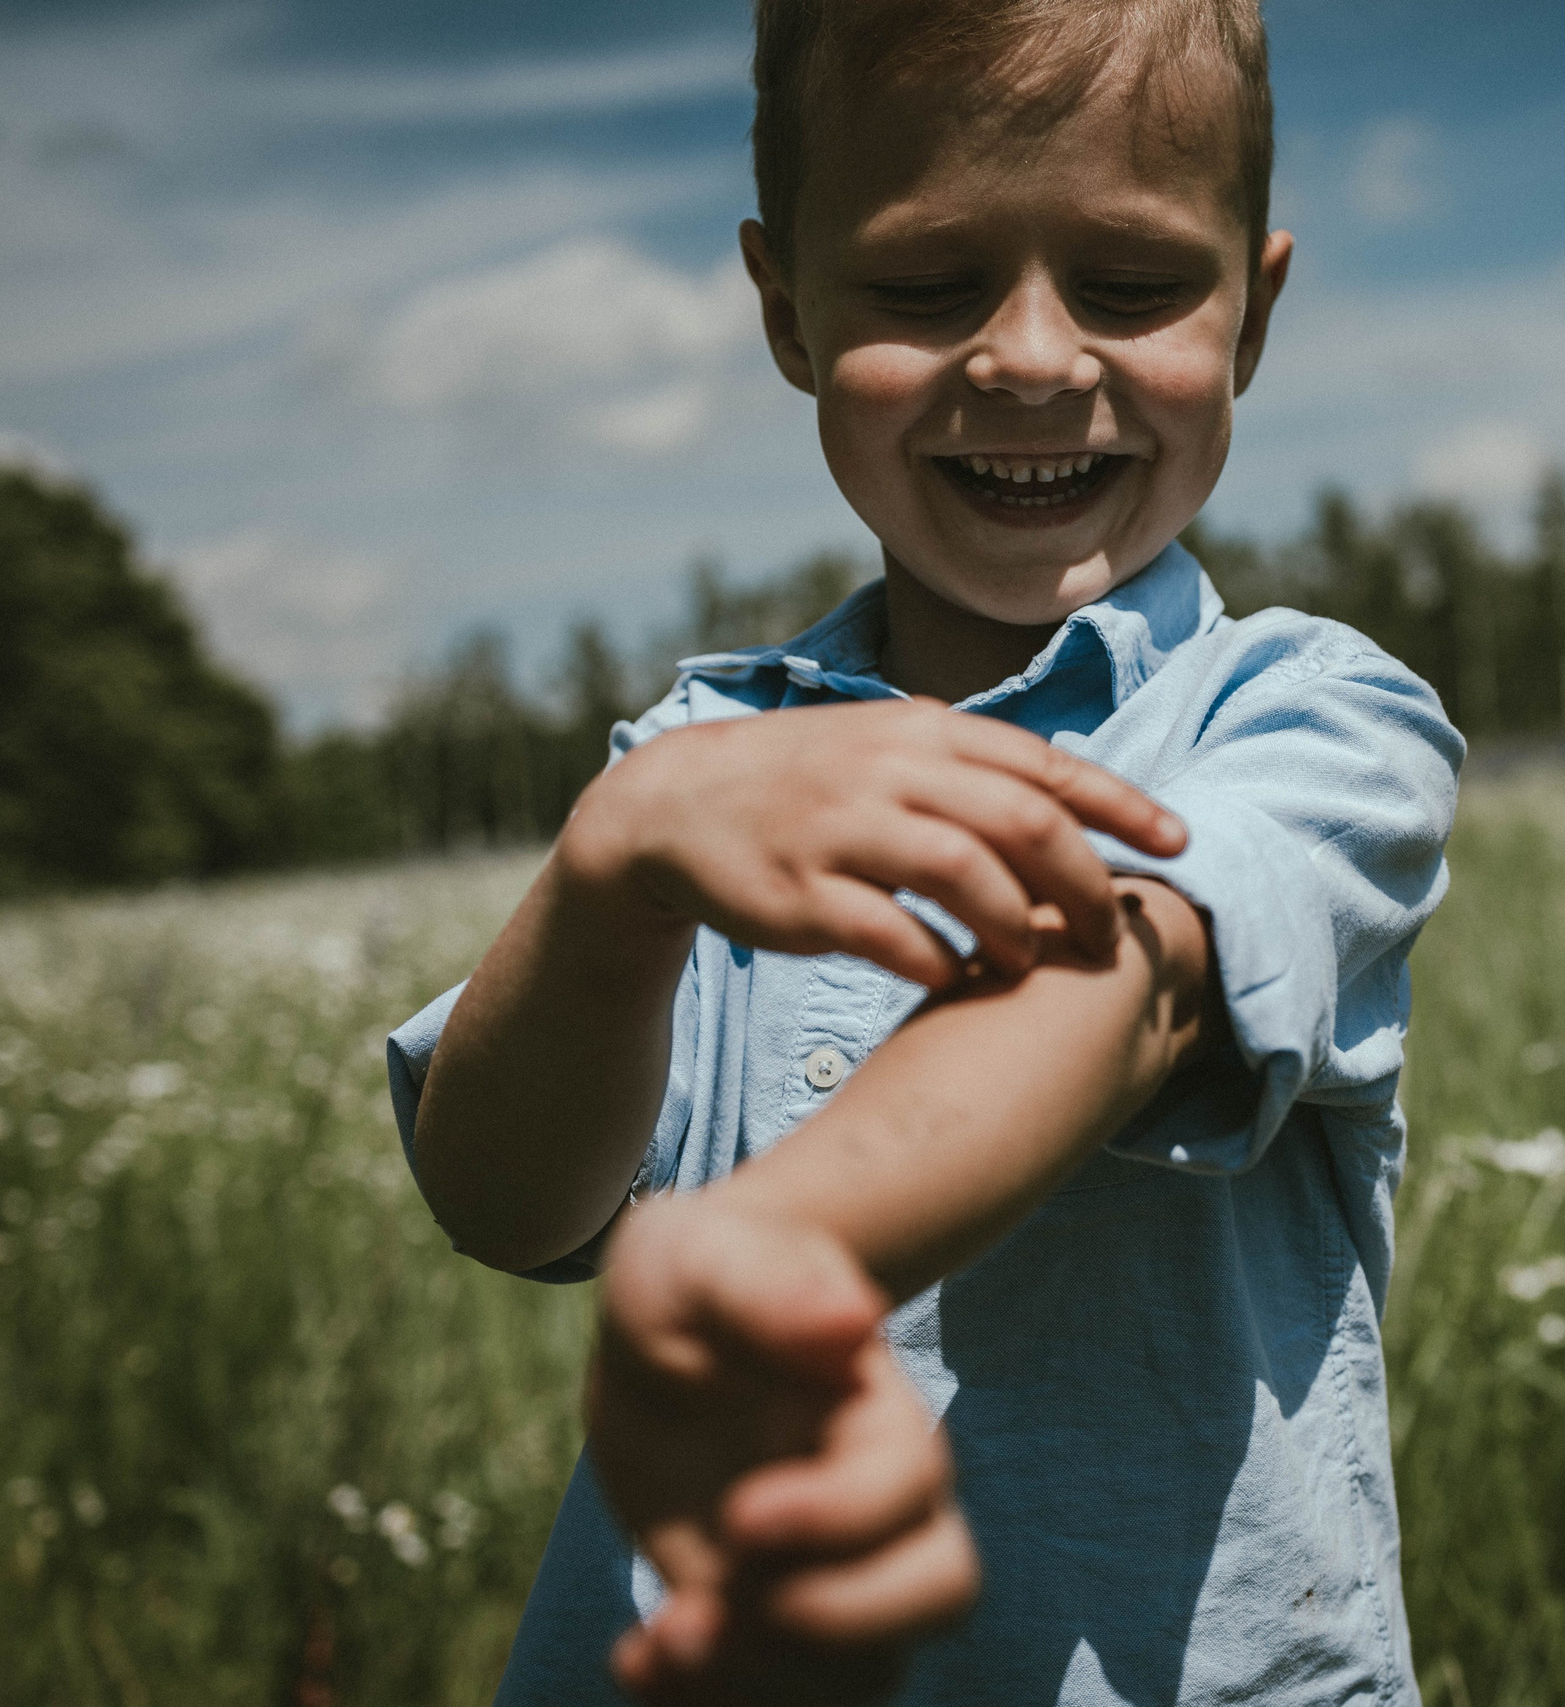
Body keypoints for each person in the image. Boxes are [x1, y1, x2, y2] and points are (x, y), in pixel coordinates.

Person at [384, 0, 1463, 1699]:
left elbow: (1134, 992)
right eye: (923, 284)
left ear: (1253, 313)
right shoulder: (702, 773)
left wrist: (783, 1248)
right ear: (787, 310)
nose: (1032, 359)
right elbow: (507, 1207)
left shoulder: (1314, 721)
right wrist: (611, 881)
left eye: (1128, 285)